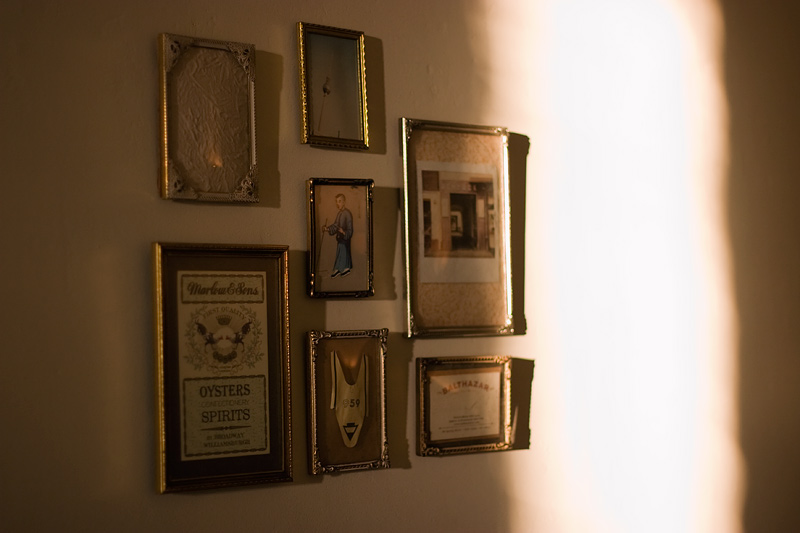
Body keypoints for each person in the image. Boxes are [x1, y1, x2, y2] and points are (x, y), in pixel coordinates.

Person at [322, 193, 353, 277]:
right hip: (340, 239)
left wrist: (343, 232)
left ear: (344, 202)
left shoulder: (347, 214)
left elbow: (350, 229)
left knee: (344, 252)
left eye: (339, 201)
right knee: (339, 252)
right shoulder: (339, 213)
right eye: (336, 201)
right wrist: (327, 229)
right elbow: (335, 225)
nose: (337, 204)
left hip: (345, 240)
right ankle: (338, 269)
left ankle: (345, 268)